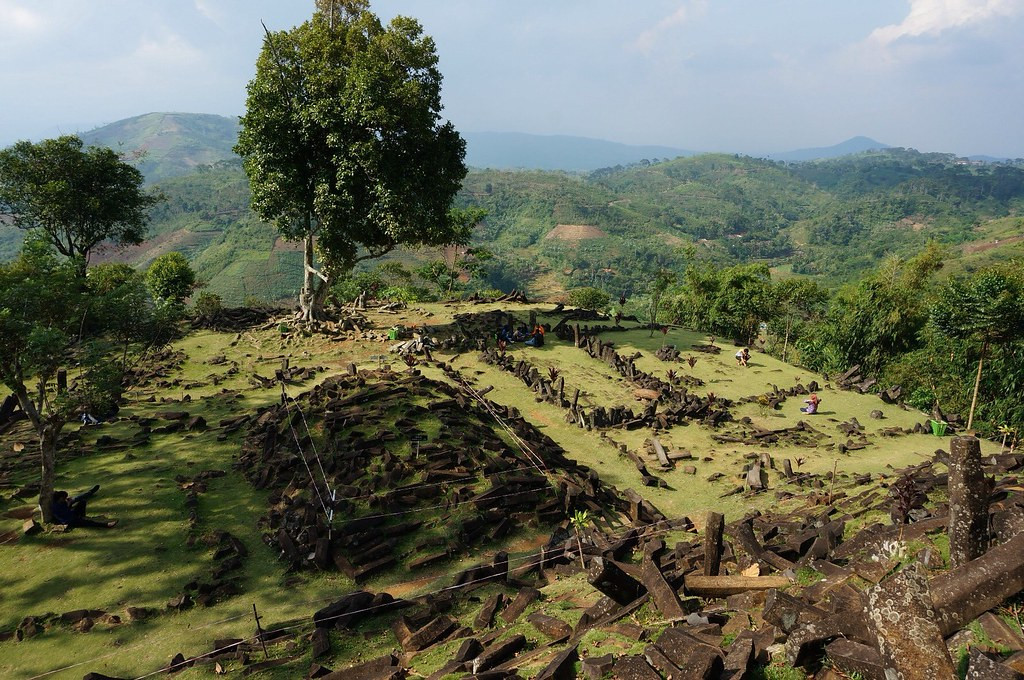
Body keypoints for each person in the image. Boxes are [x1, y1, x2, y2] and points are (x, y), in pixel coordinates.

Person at [51, 485, 117, 529]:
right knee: (88, 522)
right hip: (70, 520)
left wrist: (69, 503)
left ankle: (82, 515)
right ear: (60, 498)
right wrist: (69, 504)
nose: (65, 499)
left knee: (82, 502)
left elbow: (69, 509)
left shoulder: (62, 502)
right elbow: (66, 513)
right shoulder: (55, 507)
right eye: (64, 498)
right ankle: (107, 525)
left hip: (72, 514)